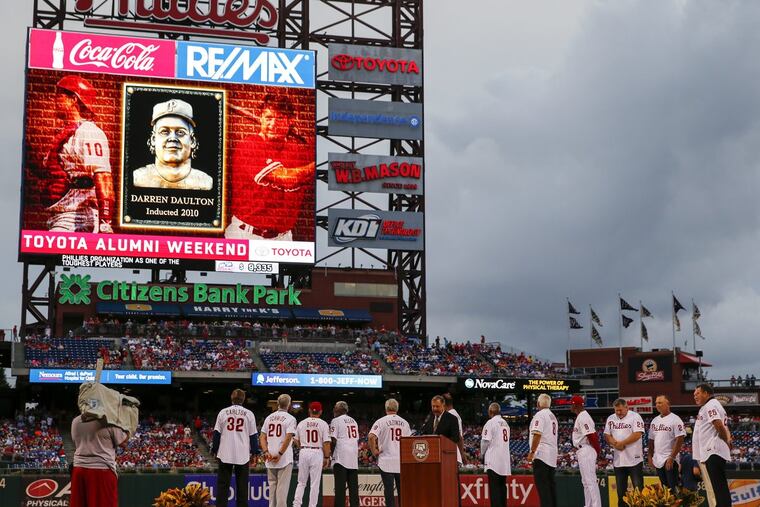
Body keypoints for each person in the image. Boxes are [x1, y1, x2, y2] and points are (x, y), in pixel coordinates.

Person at [226, 93, 315, 241]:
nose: (273, 124)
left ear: (290, 121)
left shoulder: (299, 151)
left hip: (284, 238)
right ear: (261, 118)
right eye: (268, 118)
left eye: (280, 118)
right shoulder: (249, 146)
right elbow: (286, 178)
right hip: (247, 235)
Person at [42, 75, 114, 233]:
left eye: (59, 96)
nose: (55, 100)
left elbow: (103, 177)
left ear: (73, 99)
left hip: (77, 217)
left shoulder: (89, 132)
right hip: (61, 215)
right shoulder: (65, 133)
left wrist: (105, 221)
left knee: (50, 255)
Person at [132, 99, 213, 190]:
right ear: (153, 139)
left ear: (192, 141)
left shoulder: (206, 183)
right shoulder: (137, 179)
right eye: (164, 131)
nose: (173, 138)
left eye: (180, 132)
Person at [70, 413, 129, 507]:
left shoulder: (76, 420)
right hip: (101, 470)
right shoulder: (108, 421)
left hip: (78, 469)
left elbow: (75, 441)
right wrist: (129, 426)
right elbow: (124, 442)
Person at [211, 389, 258, 507]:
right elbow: (253, 435)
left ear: (232, 398)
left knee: (222, 487)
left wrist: (214, 450)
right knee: (242, 488)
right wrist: (255, 452)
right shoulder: (249, 414)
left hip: (225, 453)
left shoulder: (223, 412)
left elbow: (216, 433)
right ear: (243, 399)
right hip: (242, 454)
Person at [693, 383, 732, 507]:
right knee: (718, 487)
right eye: (694, 394)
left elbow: (719, 425)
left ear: (706, 393)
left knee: (719, 488)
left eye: (697, 393)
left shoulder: (710, 405)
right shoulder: (711, 405)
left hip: (713, 451)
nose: (695, 396)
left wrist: (726, 440)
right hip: (712, 451)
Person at [369, 398, 411, 507]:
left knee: (389, 490)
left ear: (386, 408)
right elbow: (409, 442)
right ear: (397, 408)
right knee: (402, 491)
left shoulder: (381, 421)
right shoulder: (405, 423)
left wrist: (374, 451)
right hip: (401, 461)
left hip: (386, 460)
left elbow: (371, 437)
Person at [604, 398, 645, 507]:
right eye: (616, 410)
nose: (618, 413)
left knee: (639, 491)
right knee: (621, 494)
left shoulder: (635, 417)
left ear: (627, 407)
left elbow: (638, 434)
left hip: (634, 460)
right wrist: (615, 443)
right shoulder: (611, 418)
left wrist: (622, 443)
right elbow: (607, 435)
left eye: (620, 410)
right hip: (619, 461)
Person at [260, 394, 297, 507]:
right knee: (282, 492)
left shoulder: (269, 417)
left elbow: (262, 437)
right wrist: (280, 453)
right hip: (284, 458)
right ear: (289, 404)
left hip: (270, 456)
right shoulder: (291, 418)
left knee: (272, 493)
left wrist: (266, 452)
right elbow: (288, 437)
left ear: (277, 403)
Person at [293, 402, 330, 507]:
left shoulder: (302, 423)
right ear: (321, 411)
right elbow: (326, 443)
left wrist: (302, 447)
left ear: (309, 410)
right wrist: (327, 457)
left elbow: (295, 440)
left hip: (304, 451)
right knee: (315, 483)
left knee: (301, 482)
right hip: (317, 451)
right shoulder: (323, 424)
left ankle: (296, 505)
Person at [648, 394, 685, 493]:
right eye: (656, 403)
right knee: (665, 490)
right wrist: (650, 456)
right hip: (658, 459)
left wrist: (672, 457)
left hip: (670, 459)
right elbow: (651, 441)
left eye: (660, 402)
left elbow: (680, 438)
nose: (657, 405)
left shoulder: (675, 419)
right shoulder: (654, 421)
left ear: (667, 403)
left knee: (673, 488)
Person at [570, 395, 602, 507]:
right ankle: (588, 505)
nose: (571, 406)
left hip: (587, 450)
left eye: (572, 404)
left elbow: (592, 435)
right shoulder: (581, 416)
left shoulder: (583, 416)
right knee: (586, 482)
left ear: (576, 405)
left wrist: (598, 452)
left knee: (590, 481)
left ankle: (596, 505)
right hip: (583, 450)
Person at [527, 393, 558, 507]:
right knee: (550, 487)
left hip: (542, 455)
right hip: (552, 455)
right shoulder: (552, 416)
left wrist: (532, 452)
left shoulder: (540, 415)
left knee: (543, 488)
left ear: (538, 403)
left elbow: (537, 434)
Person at [330, 401, 360, 507]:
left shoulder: (336, 420)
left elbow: (333, 439)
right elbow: (356, 439)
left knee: (340, 489)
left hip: (341, 457)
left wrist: (329, 455)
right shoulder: (353, 421)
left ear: (341, 409)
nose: (334, 409)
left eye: (335, 408)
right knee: (353, 489)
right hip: (352, 456)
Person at [480, 402, 511, 507]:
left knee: (495, 490)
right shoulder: (505, 423)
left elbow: (485, 441)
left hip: (493, 460)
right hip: (504, 461)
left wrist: (481, 454)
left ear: (490, 412)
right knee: (502, 488)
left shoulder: (490, 422)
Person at [443, 393, 467, 465]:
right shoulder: (451, 414)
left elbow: (459, 436)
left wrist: (462, 454)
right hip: (449, 452)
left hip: (451, 453)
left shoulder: (452, 415)